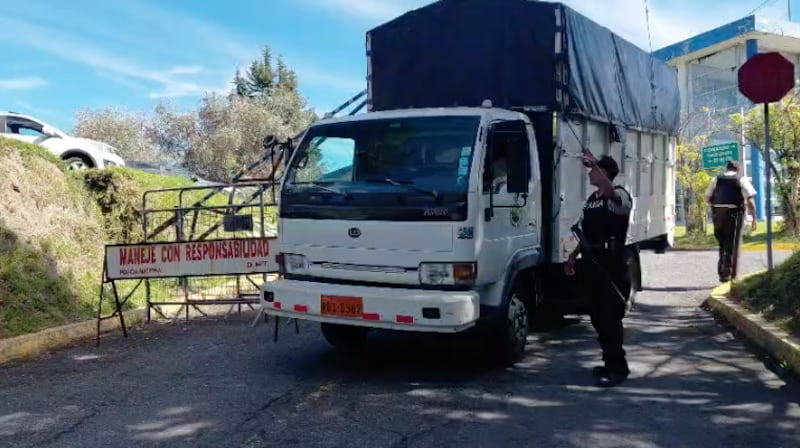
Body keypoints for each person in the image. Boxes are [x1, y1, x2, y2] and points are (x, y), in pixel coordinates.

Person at [565, 154, 633, 388]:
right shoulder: (592, 199)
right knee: (596, 317)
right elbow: (584, 232)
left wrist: (596, 163)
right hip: (592, 263)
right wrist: (573, 257)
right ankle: (608, 362)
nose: (589, 173)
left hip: (612, 265)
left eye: (594, 170)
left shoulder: (620, 195)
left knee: (610, 318)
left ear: (605, 173)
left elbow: (614, 196)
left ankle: (618, 368)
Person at [704, 160, 757, 283]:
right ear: (737, 170)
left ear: (726, 169)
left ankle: (722, 272)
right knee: (731, 244)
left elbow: (707, 198)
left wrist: (718, 205)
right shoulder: (741, 180)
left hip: (718, 215)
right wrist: (753, 217)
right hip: (734, 214)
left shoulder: (716, 179)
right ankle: (727, 275)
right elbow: (750, 200)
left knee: (722, 244)